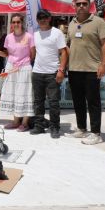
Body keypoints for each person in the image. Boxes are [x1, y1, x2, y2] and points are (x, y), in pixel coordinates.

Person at [66, 0, 105, 145]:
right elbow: (68, 46)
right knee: (78, 101)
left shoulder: (98, 22)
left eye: (84, 3)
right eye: (78, 4)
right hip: (73, 68)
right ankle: (81, 128)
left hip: (92, 68)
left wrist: (103, 64)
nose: (81, 6)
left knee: (93, 102)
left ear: (89, 5)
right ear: (74, 6)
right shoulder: (71, 23)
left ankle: (96, 133)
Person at [30, 9, 67, 138]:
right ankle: (39, 126)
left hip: (52, 73)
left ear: (49, 18)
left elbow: (64, 52)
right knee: (38, 102)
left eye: (45, 17)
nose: (42, 20)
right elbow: (33, 53)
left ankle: (55, 127)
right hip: (37, 72)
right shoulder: (35, 34)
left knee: (53, 102)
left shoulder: (57, 33)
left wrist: (61, 70)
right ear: (37, 20)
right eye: (40, 18)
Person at [0, 14, 35, 131]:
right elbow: (8, 53)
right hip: (11, 67)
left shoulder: (29, 36)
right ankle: (15, 121)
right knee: (13, 93)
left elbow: (32, 53)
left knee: (25, 94)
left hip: (24, 68)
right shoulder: (8, 37)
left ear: (22, 23)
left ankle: (24, 123)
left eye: (18, 22)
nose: (16, 24)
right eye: (13, 22)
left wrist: (23, 63)